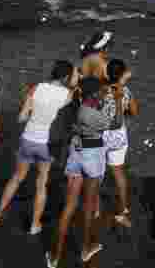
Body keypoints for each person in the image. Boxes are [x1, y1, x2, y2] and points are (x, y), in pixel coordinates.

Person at [0, 60, 77, 233]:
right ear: (66, 76)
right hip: (45, 143)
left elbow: (21, 117)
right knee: (41, 183)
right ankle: (35, 224)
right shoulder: (67, 95)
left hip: (27, 138)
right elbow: (73, 93)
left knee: (17, 177)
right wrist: (74, 79)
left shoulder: (36, 88)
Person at [47, 76, 109, 268]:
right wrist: (113, 100)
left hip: (76, 155)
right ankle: (86, 248)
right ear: (95, 93)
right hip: (92, 156)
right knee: (89, 206)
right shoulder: (92, 113)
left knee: (68, 207)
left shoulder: (72, 109)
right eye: (100, 91)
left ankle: (55, 256)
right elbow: (112, 123)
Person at [102, 58, 138, 227]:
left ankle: (94, 207)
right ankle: (122, 211)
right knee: (118, 174)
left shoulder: (101, 90)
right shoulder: (126, 91)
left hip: (100, 135)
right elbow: (134, 111)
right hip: (118, 137)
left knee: (96, 173)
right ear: (122, 74)